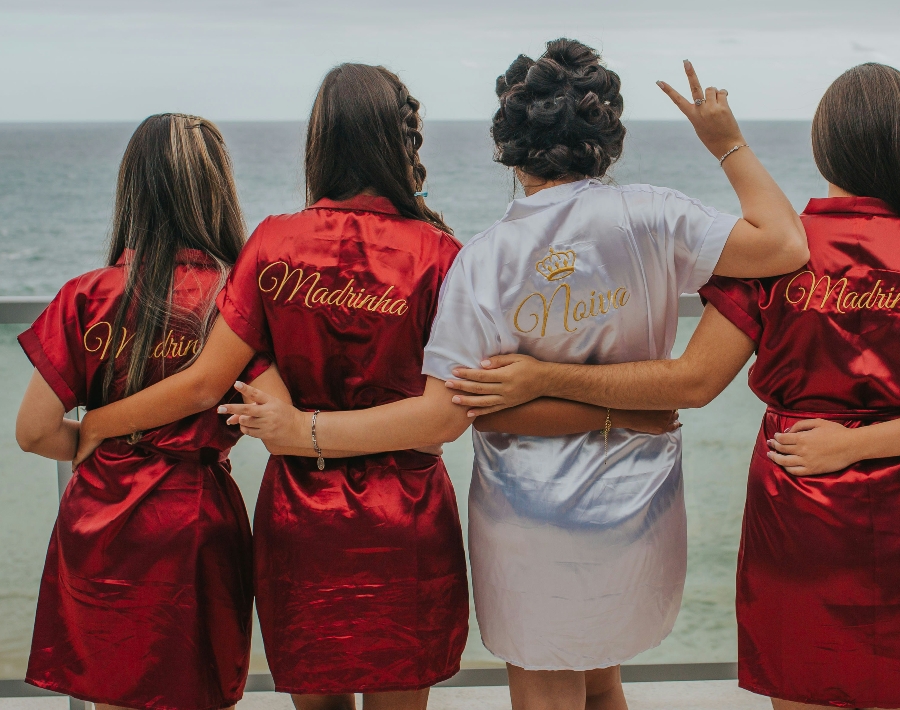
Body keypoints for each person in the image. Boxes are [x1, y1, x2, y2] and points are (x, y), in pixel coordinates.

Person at [443, 64, 900, 710]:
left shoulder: (777, 263)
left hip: (799, 504)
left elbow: (694, 382)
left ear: (826, 148)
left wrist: (541, 377)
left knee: (805, 688)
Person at [220, 39, 809, 710]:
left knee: (548, 686)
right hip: (637, 505)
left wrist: (539, 378)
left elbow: (467, 408)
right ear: (606, 137)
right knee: (601, 674)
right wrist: (726, 143)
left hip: (523, 515)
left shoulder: (485, 258)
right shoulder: (656, 214)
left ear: (508, 145)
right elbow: (786, 247)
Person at [78, 65, 675, 709]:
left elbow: (205, 383)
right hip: (405, 516)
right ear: (403, 144)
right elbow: (450, 413)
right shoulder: (440, 255)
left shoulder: (273, 243)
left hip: (300, 517)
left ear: (319, 141)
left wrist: (93, 426)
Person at [16, 114, 268, 710]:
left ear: (134, 189)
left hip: (103, 516)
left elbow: (32, 433)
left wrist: (88, 437)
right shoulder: (235, 297)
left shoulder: (89, 295)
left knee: (116, 691)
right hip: (197, 515)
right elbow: (268, 404)